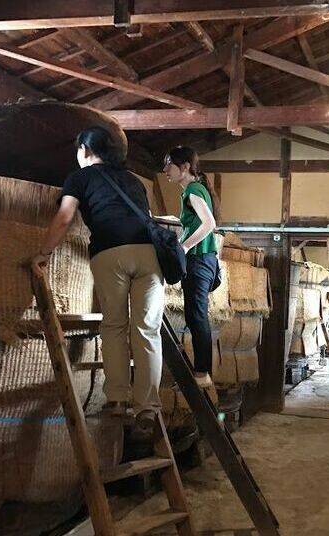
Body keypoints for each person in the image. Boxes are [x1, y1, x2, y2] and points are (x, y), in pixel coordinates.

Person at [33, 126, 164, 433]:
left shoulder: (80, 177)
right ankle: (147, 409)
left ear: (86, 151)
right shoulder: (133, 180)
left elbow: (65, 217)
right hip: (150, 256)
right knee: (147, 330)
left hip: (111, 254)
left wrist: (44, 252)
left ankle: (117, 400)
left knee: (115, 327)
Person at [162, 146, 218, 387]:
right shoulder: (194, 191)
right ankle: (201, 372)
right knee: (194, 315)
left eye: (169, 164)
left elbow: (209, 224)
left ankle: (202, 373)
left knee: (196, 315)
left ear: (184, 167)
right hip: (202, 260)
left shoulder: (193, 190)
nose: (165, 169)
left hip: (199, 259)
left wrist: (183, 247)